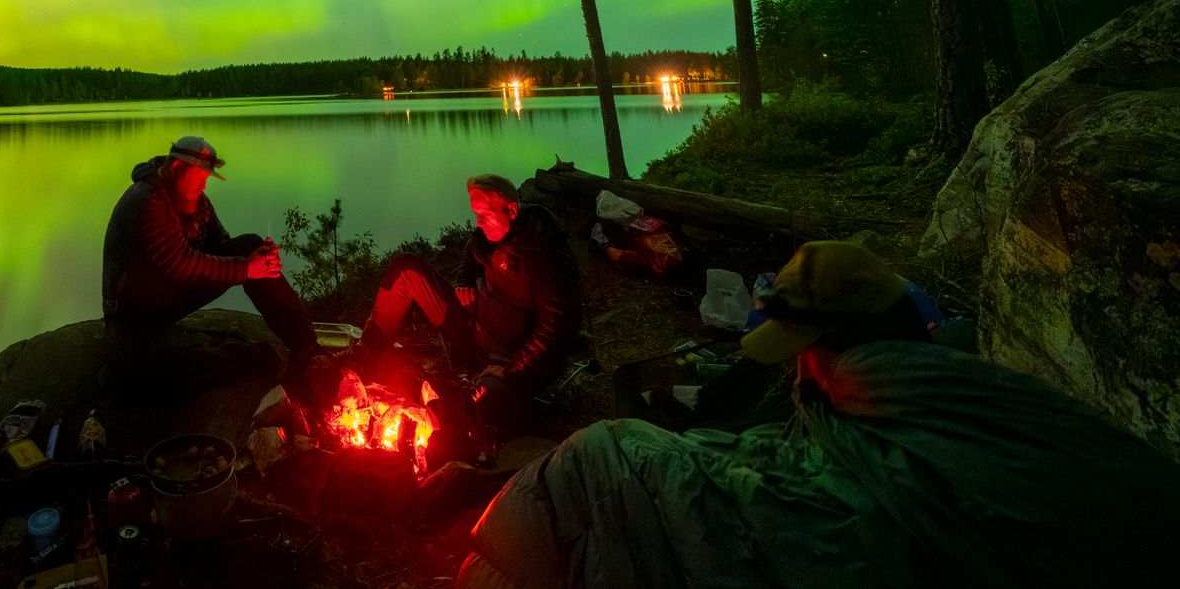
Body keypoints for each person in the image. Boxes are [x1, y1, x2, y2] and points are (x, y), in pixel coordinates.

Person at [458, 240, 1180, 588]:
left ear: (841, 340)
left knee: (600, 462)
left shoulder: (898, 386)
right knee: (613, 457)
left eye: (804, 348)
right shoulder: (946, 368)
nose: (799, 365)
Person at [358, 174, 579, 435]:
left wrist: (511, 371)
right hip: (469, 329)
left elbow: (557, 327)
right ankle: (364, 355)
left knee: (485, 402)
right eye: (475, 214)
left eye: (485, 213)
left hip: (509, 357)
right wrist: (462, 284)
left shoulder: (544, 250)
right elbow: (467, 264)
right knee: (405, 268)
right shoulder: (485, 237)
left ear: (511, 210)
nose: (479, 222)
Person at [101, 136, 318, 382]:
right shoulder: (146, 202)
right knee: (142, 377)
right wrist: (246, 268)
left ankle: (307, 348)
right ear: (175, 169)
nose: (203, 187)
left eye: (205, 179)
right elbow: (179, 264)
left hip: (175, 294)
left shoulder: (197, 201)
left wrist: (260, 261)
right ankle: (242, 356)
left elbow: (219, 244)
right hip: (136, 313)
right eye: (199, 178)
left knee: (250, 246)